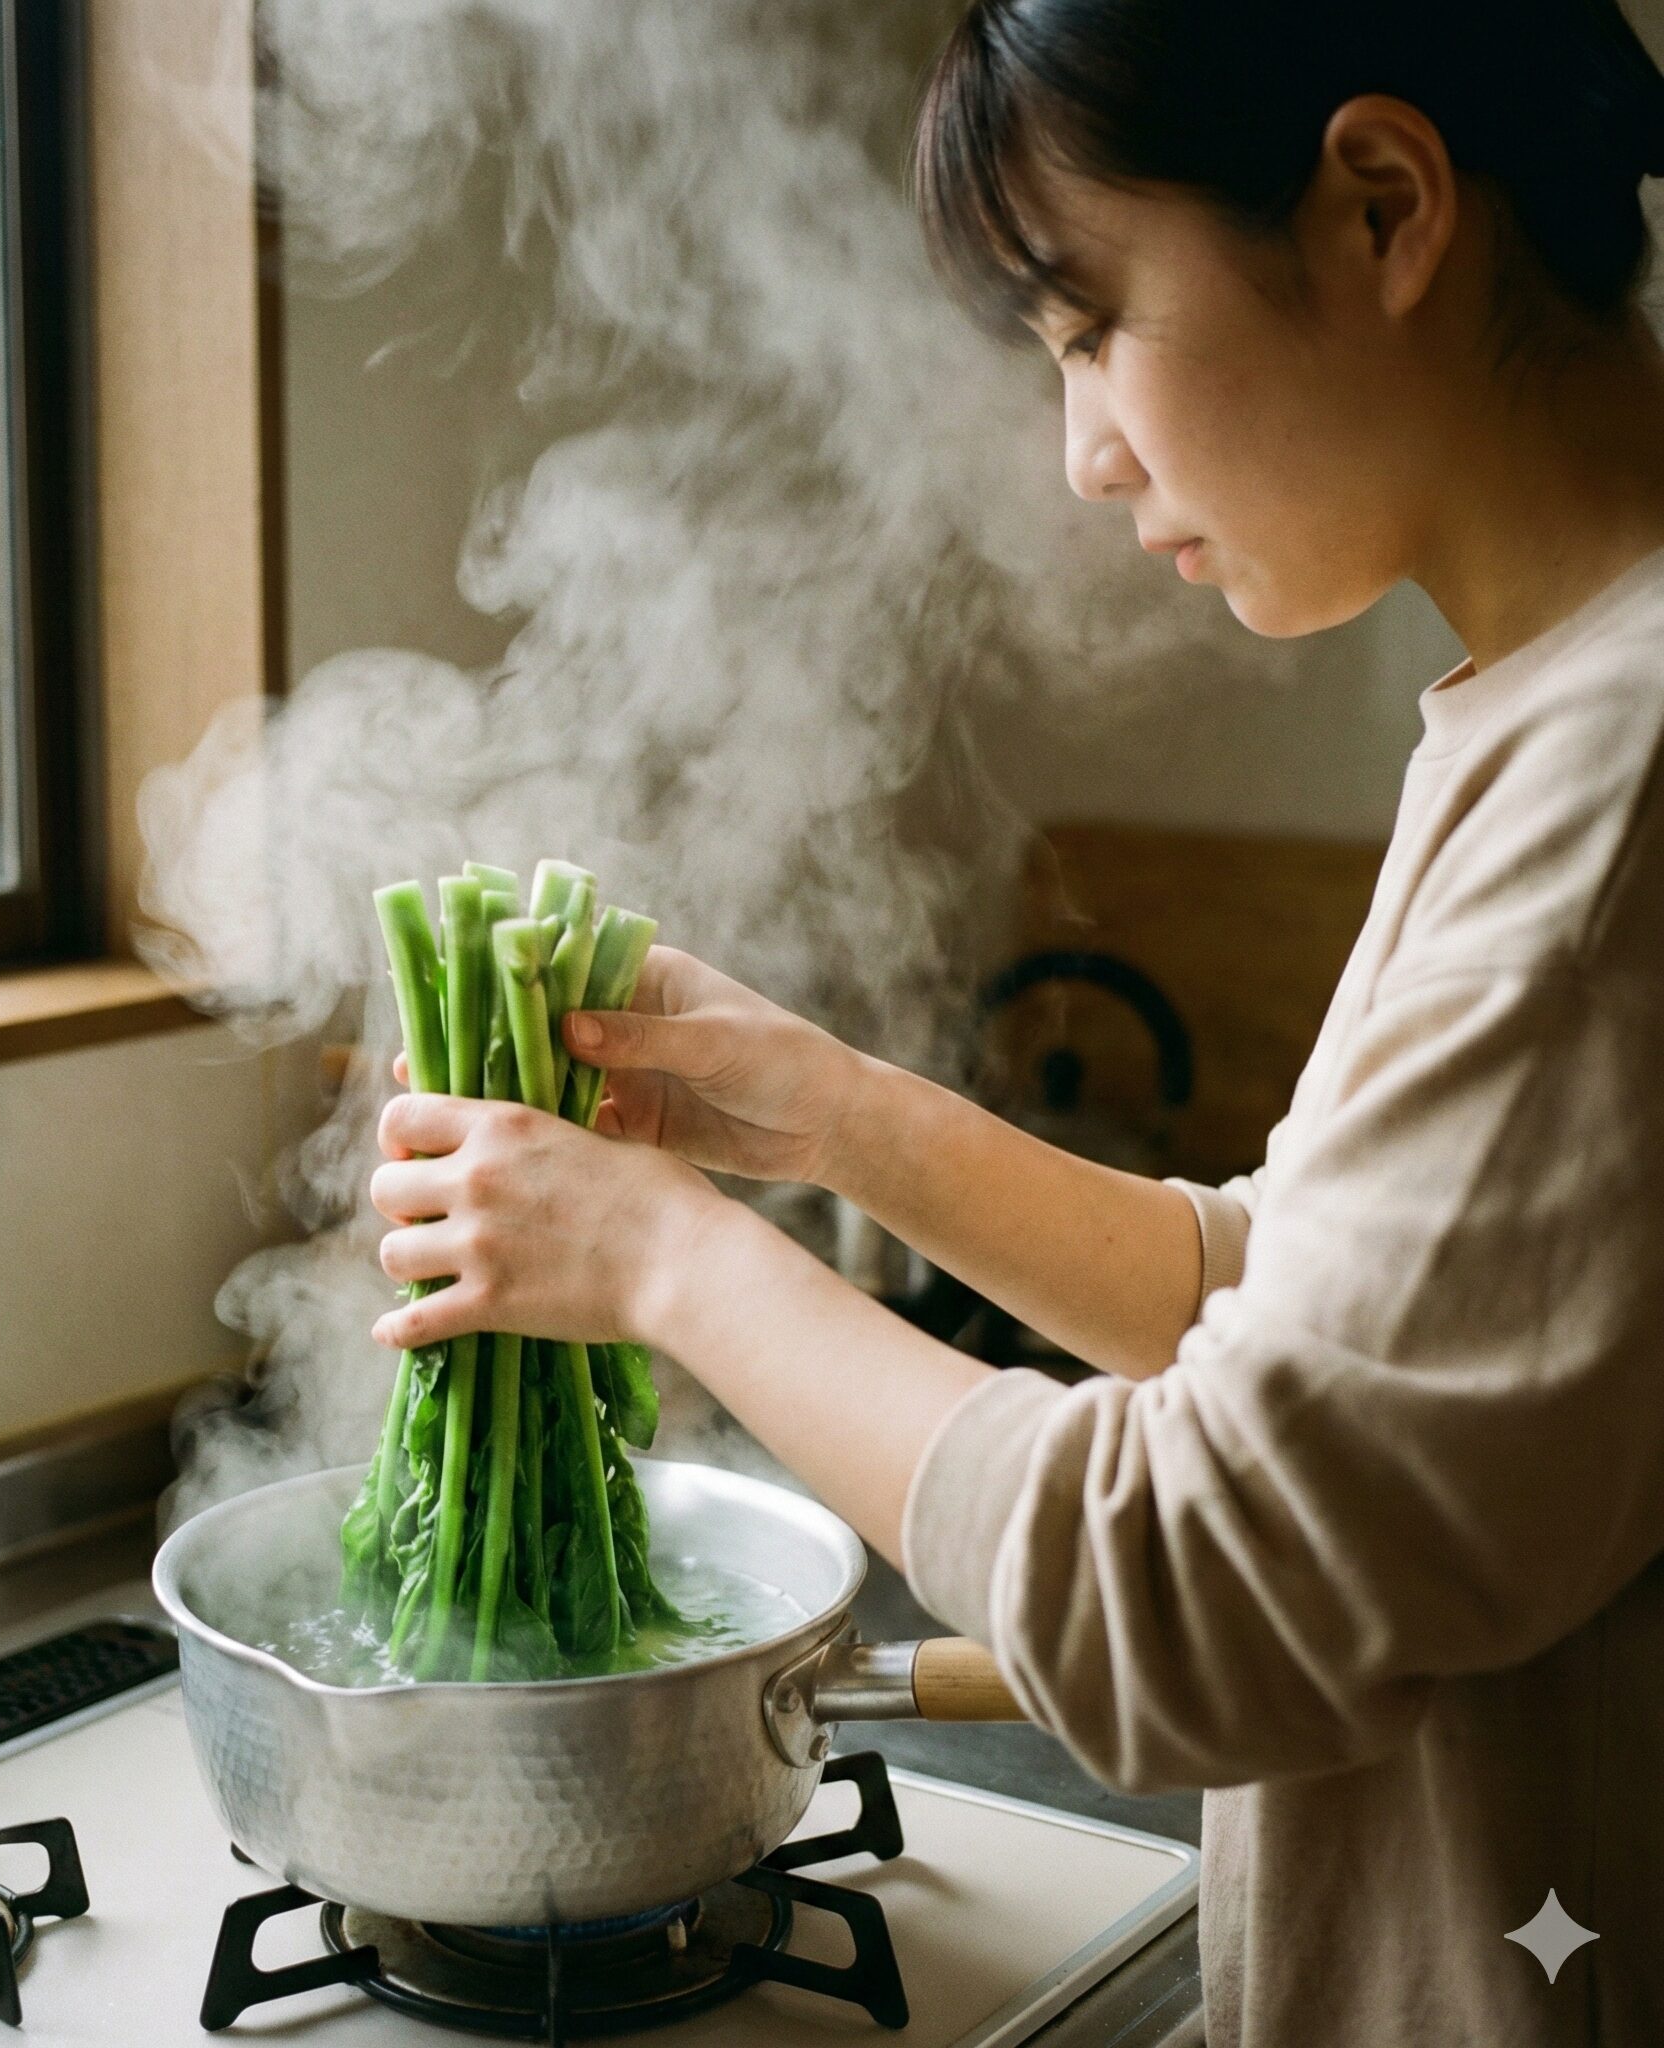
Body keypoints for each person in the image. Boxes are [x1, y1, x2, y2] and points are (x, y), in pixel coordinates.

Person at [365, 1, 1664, 2039]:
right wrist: (831, 1117)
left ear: (1384, 207)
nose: (1085, 455)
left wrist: (667, 1266)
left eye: (1090, 326)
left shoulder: (1621, 781)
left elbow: (1209, 1590)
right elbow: (1311, 1322)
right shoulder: (1559, 707)